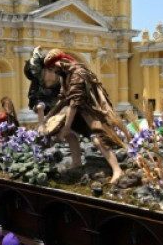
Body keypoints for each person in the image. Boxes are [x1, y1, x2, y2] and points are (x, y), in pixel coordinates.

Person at [40, 49, 127, 184]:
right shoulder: (65, 75)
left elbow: (74, 103)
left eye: (52, 68)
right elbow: (63, 99)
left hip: (93, 114)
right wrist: (48, 117)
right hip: (79, 115)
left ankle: (117, 170)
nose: (53, 72)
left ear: (59, 63)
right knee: (70, 134)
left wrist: (66, 127)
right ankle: (77, 163)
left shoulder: (78, 73)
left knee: (99, 141)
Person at [23, 47, 61, 127]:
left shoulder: (59, 78)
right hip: (39, 99)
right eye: (49, 70)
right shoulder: (39, 74)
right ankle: (41, 126)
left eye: (53, 71)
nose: (51, 74)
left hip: (53, 99)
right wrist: (35, 54)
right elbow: (31, 67)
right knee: (40, 106)